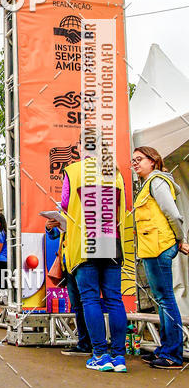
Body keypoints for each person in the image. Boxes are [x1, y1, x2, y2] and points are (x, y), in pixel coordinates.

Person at [61, 136, 128, 372]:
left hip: (85, 242)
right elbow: (123, 208)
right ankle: (119, 356)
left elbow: (65, 205)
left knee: (89, 298)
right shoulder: (116, 173)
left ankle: (100, 354)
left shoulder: (73, 170)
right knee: (114, 299)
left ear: (82, 147)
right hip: (112, 240)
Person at [132, 146, 189, 368]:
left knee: (166, 300)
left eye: (139, 159)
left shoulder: (156, 182)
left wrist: (180, 239)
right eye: (133, 160)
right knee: (162, 299)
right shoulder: (150, 184)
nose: (135, 163)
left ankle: (172, 354)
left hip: (158, 247)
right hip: (153, 248)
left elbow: (174, 214)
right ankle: (166, 349)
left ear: (153, 161)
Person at [44, 218, 92, 357]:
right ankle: (84, 343)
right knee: (77, 306)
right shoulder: (65, 214)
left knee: (88, 303)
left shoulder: (82, 211)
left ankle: (94, 344)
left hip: (82, 261)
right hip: (68, 264)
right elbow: (54, 235)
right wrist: (49, 228)